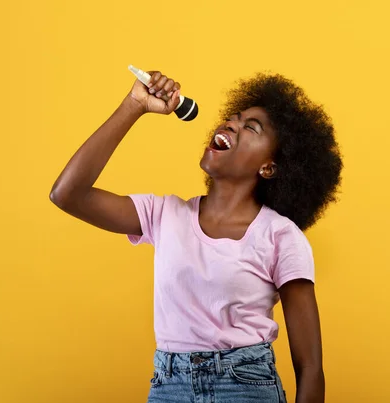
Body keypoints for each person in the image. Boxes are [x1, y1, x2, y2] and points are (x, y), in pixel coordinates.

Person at [50, 69, 343, 403]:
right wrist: (134, 105)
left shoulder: (281, 236)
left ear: (269, 167)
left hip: (246, 386)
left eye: (250, 127)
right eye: (232, 118)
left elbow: (310, 367)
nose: (231, 124)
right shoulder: (163, 215)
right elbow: (67, 194)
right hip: (169, 387)